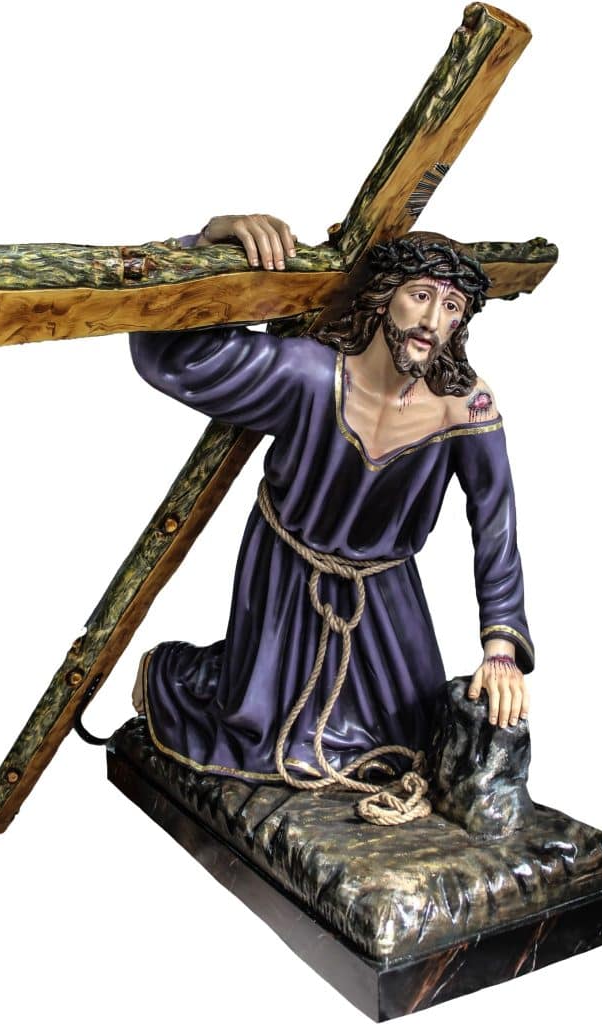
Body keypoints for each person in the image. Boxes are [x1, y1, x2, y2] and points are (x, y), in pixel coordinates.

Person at [129, 213, 532, 792]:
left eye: (451, 307)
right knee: (265, 740)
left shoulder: (465, 406)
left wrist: (501, 648)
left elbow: (495, 525)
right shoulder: (310, 374)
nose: (431, 322)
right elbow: (174, 354)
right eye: (420, 296)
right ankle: (174, 671)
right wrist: (206, 242)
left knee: (412, 741)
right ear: (383, 296)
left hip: (386, 597)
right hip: (286, 575)